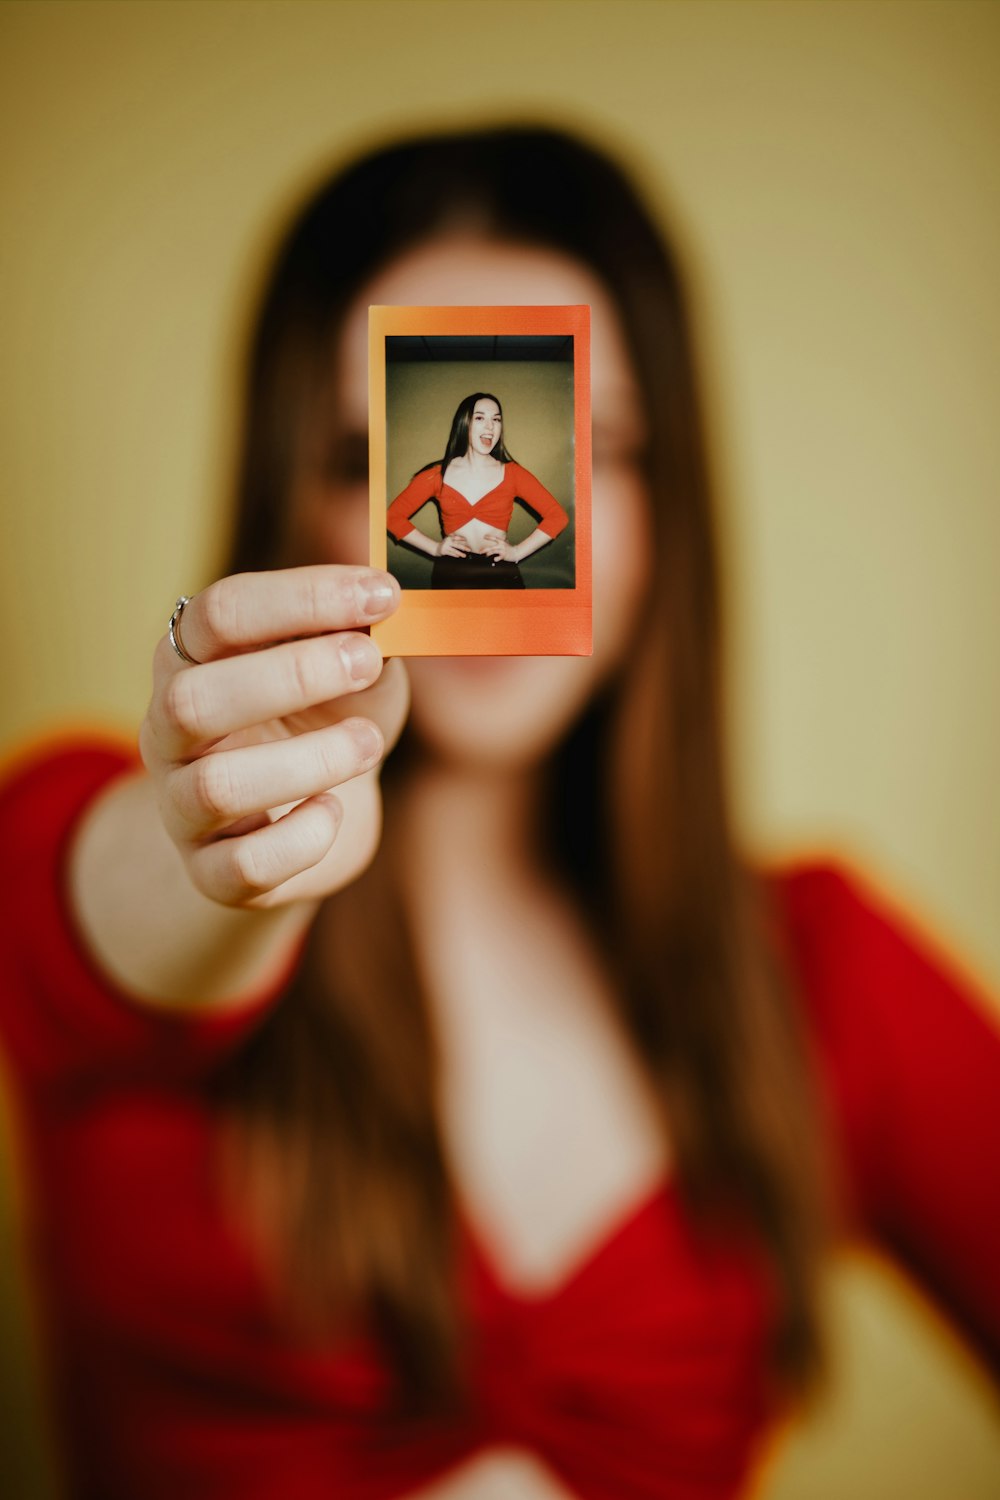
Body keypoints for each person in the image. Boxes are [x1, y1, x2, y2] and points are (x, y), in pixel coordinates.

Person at [1, 124, 998, 1500]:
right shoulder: (77, 836)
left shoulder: (821, 981)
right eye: (370, 447)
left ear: (671, 501)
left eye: (601, 445)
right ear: (282, 487)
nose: (476, 471)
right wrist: (213, 847)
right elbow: (127, 911)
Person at [385, 391, 570, 590]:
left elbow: (557, 517)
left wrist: (517, 553)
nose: (490, 426)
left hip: (500, 571)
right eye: (480, 417)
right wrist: (435, 548)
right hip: (452, 572)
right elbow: (392, 517)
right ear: (464, 424)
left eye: (496, 419)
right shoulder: (436, 474)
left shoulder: (513, 473)